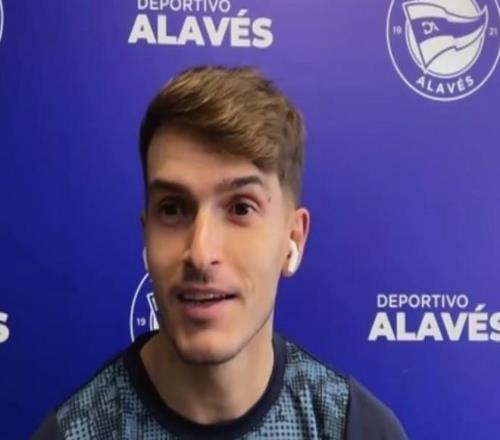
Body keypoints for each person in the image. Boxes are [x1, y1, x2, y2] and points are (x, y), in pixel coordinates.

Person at [33, 66, 407, 440]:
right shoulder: (76, 432)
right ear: (146, 233)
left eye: (241, 208)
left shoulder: (355, 429)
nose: (200, 253)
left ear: (294, 238)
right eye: (172, 209)